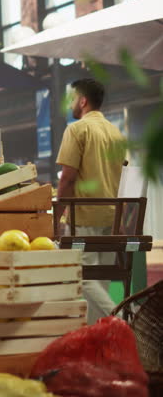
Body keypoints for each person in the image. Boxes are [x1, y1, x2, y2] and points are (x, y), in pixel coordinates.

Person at [56, 78, 126, 323]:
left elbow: (67, 179)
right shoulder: (116, 132)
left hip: (84, 215)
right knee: (100, 282)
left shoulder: (77, 129)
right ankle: (103, 343)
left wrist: (57, 216)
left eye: (72, 98)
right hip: (112, 217)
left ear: (83, 100)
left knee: (82, 276)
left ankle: (122, 322)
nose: (71, 104)